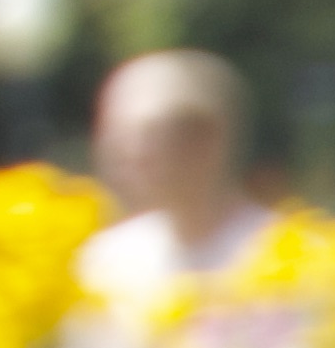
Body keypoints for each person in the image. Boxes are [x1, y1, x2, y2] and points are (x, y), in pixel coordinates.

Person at [78, 47, 277, 306]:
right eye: (113, 132)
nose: (126, 152)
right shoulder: (104, 263)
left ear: (209, 138)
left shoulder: (284, 259)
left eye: (147, 133)